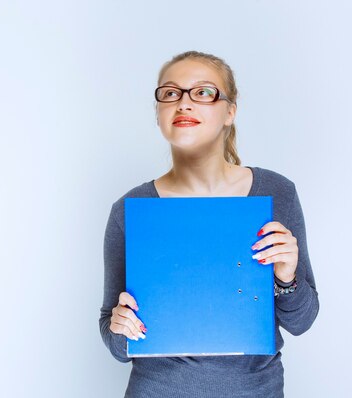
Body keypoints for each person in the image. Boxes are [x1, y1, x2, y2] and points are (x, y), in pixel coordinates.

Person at [99, 50, 320, 398]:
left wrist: (287, 276)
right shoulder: (131, 209)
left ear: (230, 111)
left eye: (202, 92)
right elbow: (116, 344)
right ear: (159, 113)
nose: (184, 103)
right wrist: (121, 326)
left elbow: (301, 322)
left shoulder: (277, 193)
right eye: (170, 93)